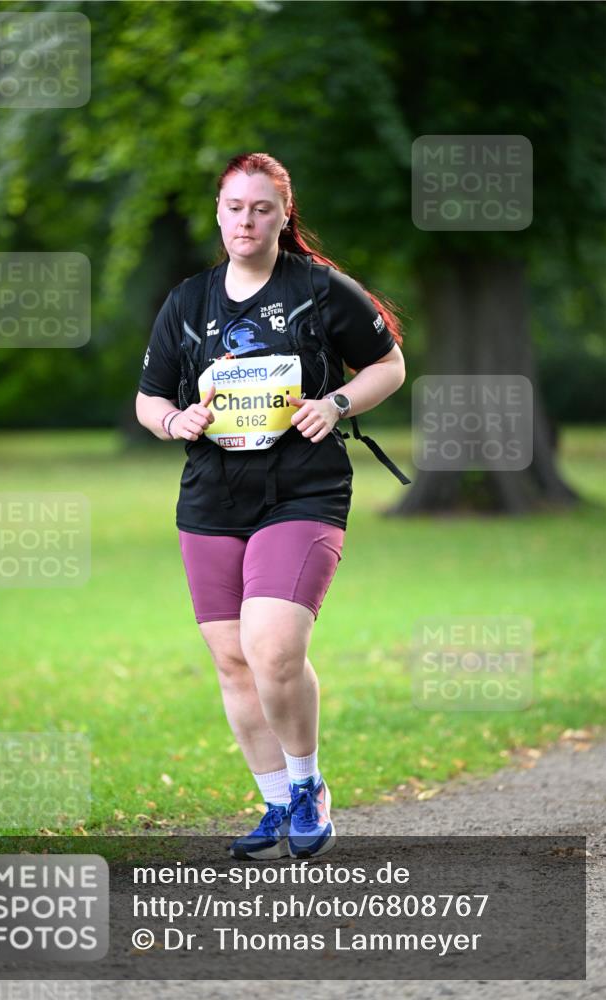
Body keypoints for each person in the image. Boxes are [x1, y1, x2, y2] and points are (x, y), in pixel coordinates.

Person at [136, 152, 406, 861]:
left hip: (303, 490)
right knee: (232, 659)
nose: (246, 221)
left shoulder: (320, 290)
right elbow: (150, 397)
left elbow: (389, 364)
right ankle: (275, 802)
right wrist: (174, 422)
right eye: (234, 207)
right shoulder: (188, 302)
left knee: (272, 646)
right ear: (218, 213)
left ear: (284, 215)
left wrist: (337, 402)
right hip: (212, 496)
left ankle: (309, 784)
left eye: (262, 208)